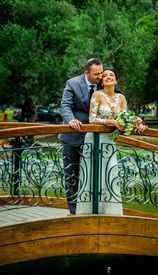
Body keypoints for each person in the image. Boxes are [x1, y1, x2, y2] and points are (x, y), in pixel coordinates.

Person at [75, 67, 147, 215]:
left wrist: (138, 122)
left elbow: (125, 119)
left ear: (116, 80)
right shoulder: (97, 95)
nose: (108, 77)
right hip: (94, 139)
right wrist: (111, 122)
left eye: (111, 75)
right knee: (93, 173)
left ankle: (110, 212)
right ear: (101, 81)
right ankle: (88, 211)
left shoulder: (121, 98)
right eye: (105, 75)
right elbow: (92, 119)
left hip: (110, 140)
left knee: (110, 172)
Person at [58, 58, 104, 214]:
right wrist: (71, 120)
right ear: (86, 72)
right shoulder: (73, 83)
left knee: (95, 176)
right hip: (72, 137)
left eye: (101, 73)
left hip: (97, 139)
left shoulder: (105, 82)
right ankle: (74, 211)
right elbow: (65, 105)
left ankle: (92, 210)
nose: (100, 76)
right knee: (71, 175)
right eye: (96, 74)